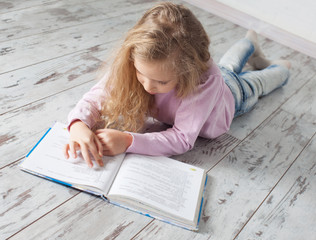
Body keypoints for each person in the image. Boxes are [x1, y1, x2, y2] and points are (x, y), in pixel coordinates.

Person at [64, 2, 290, 168]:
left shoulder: (204, 81)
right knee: (228, 67)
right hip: (219, 78)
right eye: (141, 73)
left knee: (254, 82)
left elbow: (183, 138)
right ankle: (249, 42)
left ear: (188, 72)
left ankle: (282, 67)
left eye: (162, 81)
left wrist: (128, 140)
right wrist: (78, 125)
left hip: (233, 96)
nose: (147, 86)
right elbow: (96, 97)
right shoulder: (136, 62)